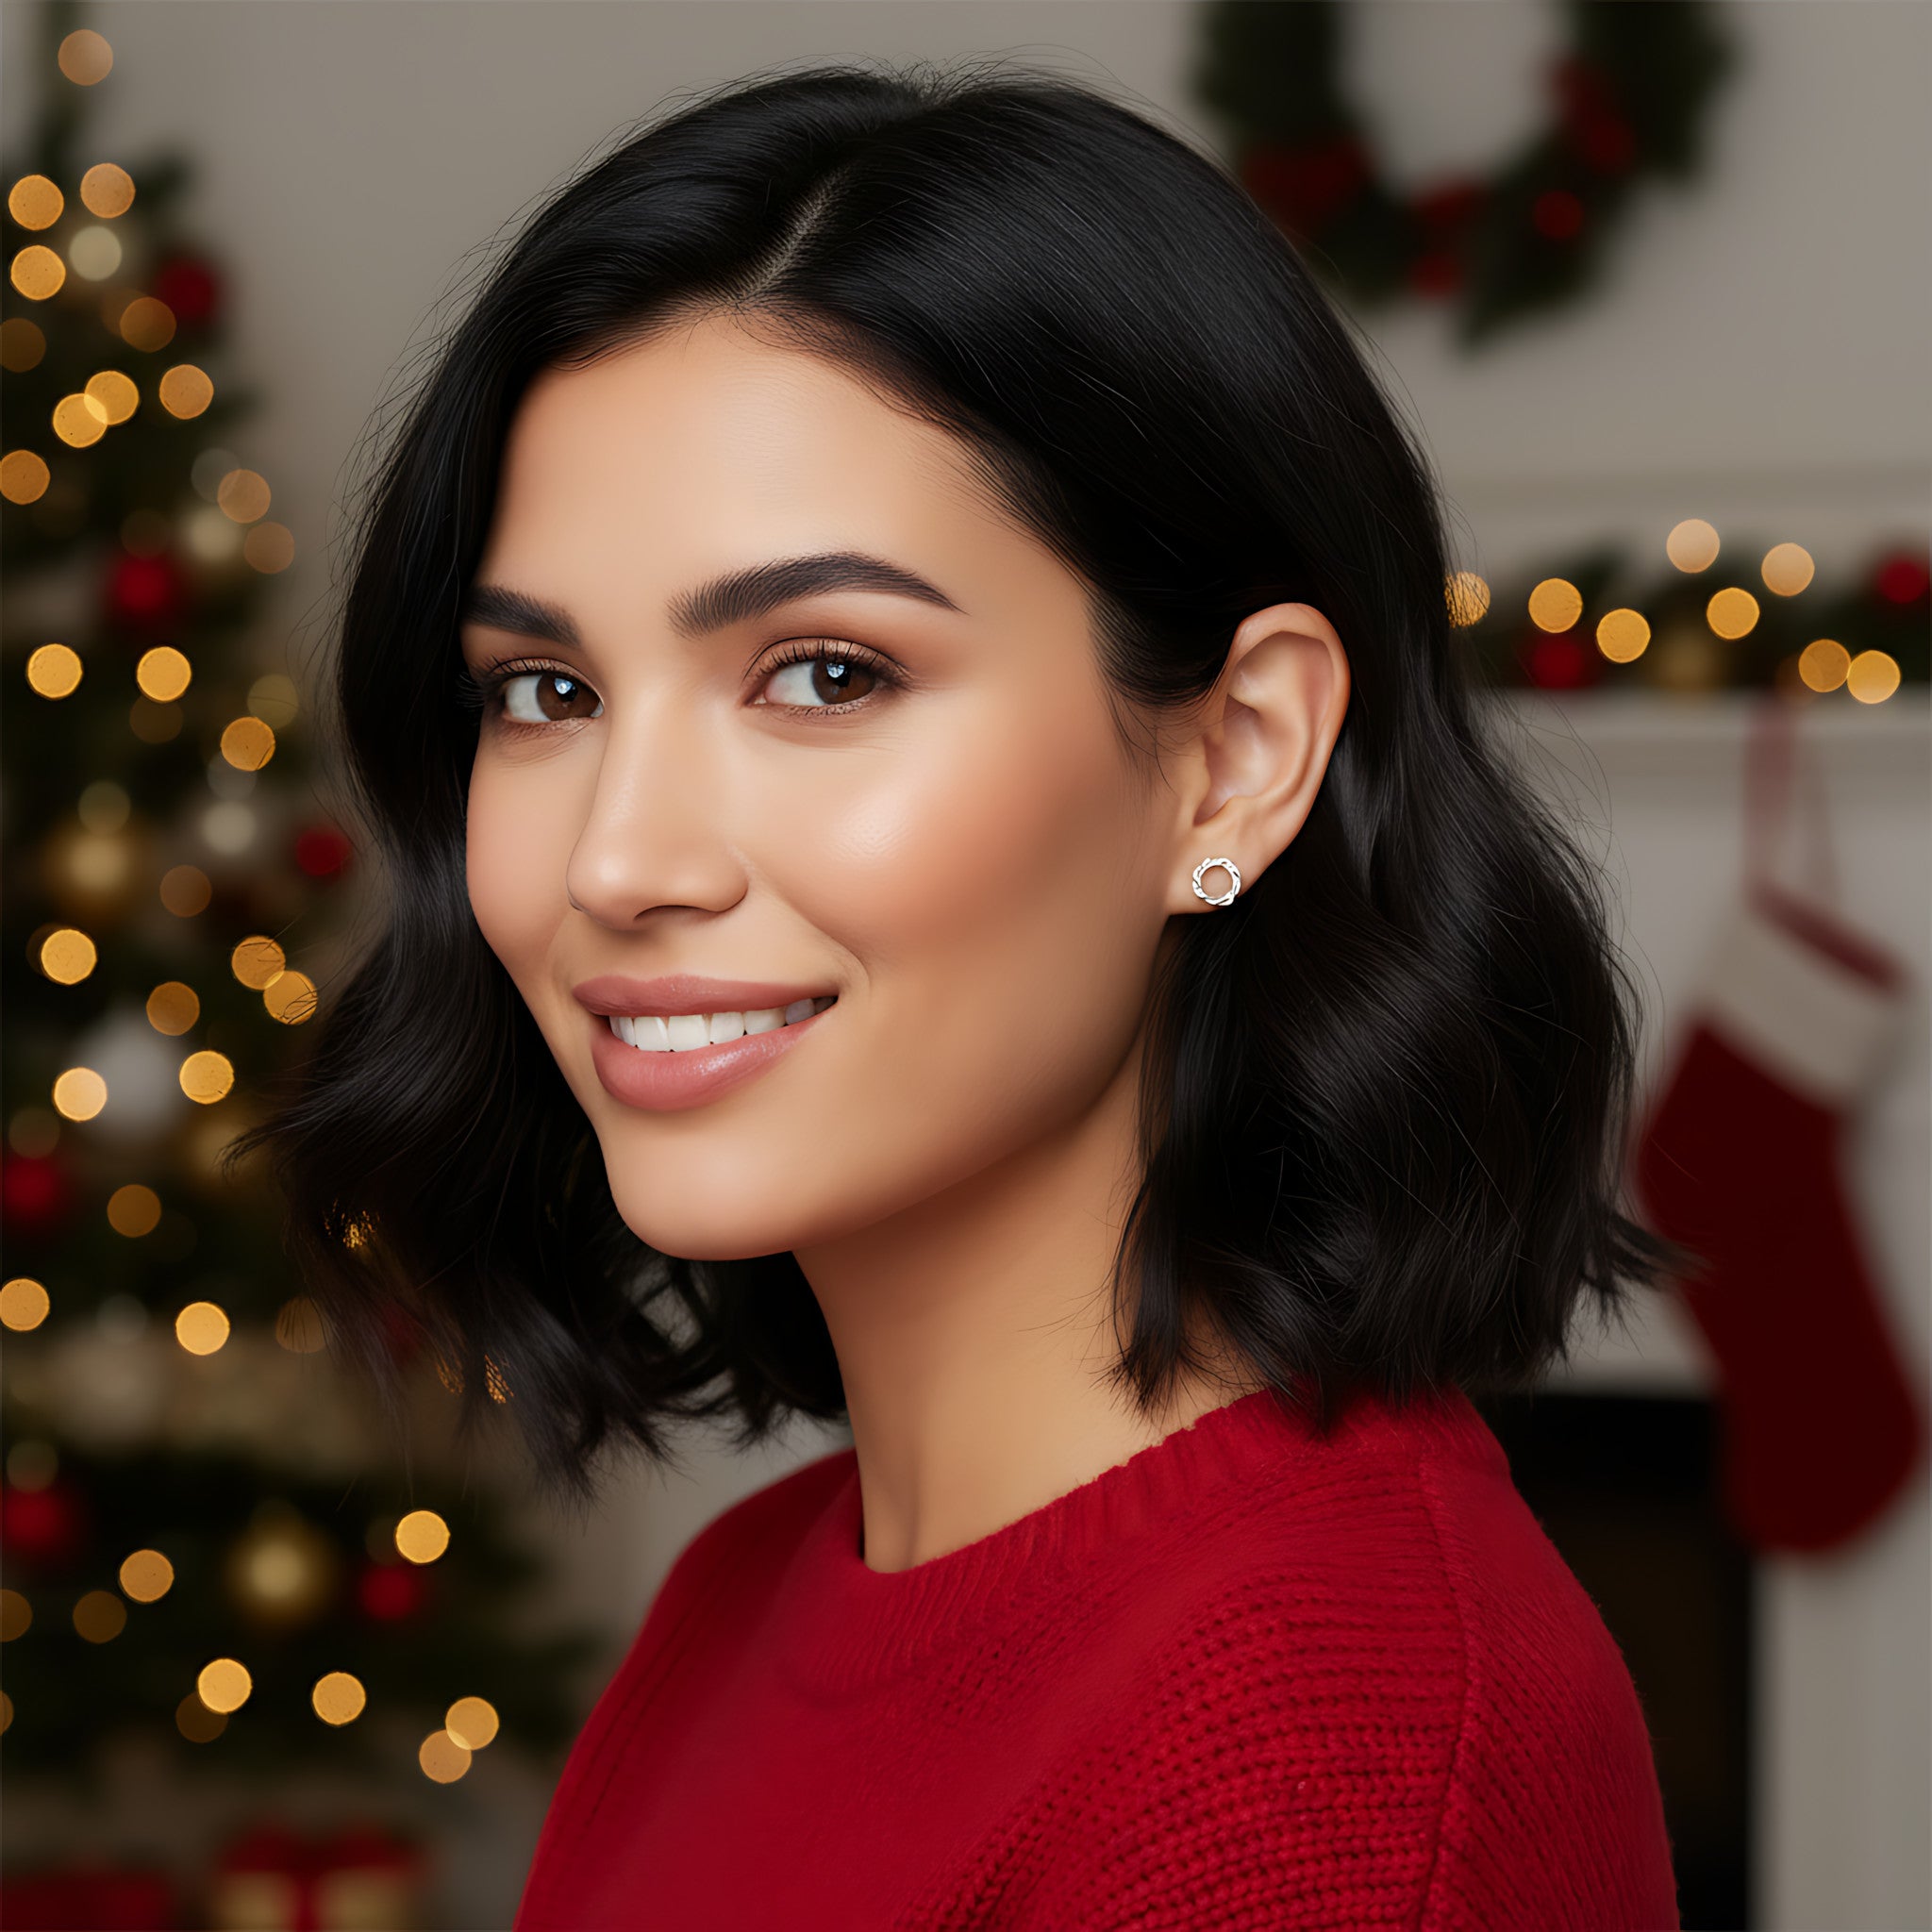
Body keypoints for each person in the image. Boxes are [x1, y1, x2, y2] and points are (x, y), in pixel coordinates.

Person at [233, 55, 1687, 1931]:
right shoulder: (749, 1599)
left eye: (825, 673)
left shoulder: (1334, 1760)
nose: (616, 857)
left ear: (1233, 757)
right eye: (547, 692)